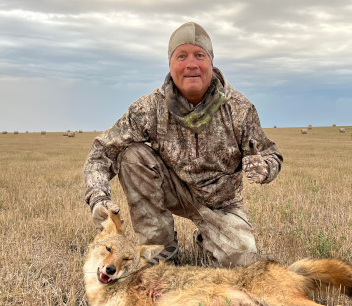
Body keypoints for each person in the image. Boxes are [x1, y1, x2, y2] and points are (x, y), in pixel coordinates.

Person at [83, 22, 283, 267]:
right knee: (132, 155)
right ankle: (161, 252)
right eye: (182, 56)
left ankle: (208, 237)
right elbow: (102, 151)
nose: (191, 64)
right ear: (170, 64)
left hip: (221, 204)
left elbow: (272, 154)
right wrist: (98, 198)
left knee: (242, 264)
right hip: (173, 189)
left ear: (211, 62)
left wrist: (265, 168)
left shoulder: (239, 109)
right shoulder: (149, 108)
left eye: (200, 55)